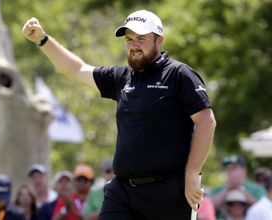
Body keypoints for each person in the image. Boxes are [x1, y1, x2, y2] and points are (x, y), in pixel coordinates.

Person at [22, 9, 216, 219]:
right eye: (129, 39)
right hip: (123, 190)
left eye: (141, 39)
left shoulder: (179, 74)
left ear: (159, 40)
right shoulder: (122, 77)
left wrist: (192, 173)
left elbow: (206, 121)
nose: (134, 45)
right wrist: (43, 40)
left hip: (169, 191)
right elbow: (77, 70)